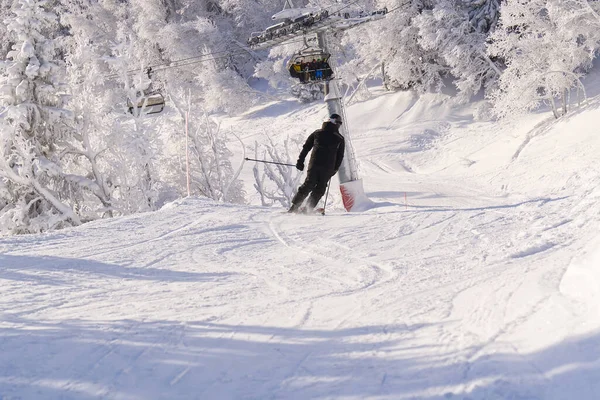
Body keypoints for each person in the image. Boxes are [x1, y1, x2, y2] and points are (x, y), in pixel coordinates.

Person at [288, 114, 345, 213]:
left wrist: (300, 161)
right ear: (336, 123)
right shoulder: (339, 138)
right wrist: (335, 169)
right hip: (328, 168)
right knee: (320, 188)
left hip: (314, 164)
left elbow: (306, 148)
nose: (339, 125)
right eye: (339, 123)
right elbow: (340, 156)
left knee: (308, 185)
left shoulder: (317, 133)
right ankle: (307, 209)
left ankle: (294, 208)